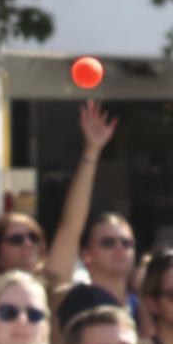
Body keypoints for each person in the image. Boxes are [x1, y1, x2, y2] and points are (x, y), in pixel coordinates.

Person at [41, 99, 124, 292]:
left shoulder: (143, 307)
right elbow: (70, 228)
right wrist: (92, 151)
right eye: (108, 242)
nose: (120, 249)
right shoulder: (70, 291)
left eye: (127, 243)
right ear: (86, 254)